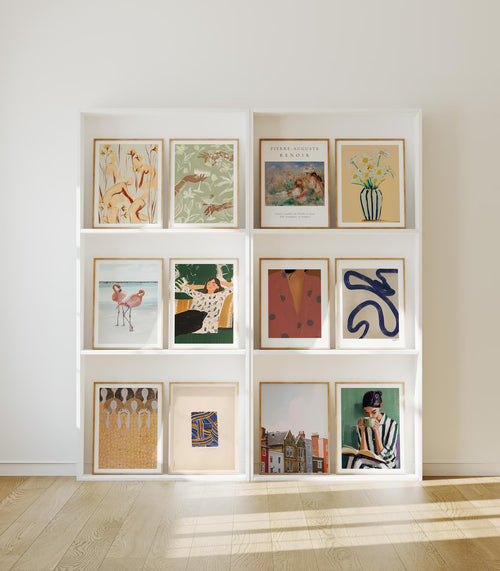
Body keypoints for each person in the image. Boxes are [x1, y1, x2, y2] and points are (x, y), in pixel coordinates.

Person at [345, 390, 399, 469]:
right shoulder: (362, 425)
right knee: (353, 460)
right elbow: (363, 454)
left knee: (359, 465)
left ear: (380, 406)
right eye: (367, 412)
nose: (370, 416)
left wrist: (376, 432)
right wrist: (362, 431)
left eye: (374, 412)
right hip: (368, 463)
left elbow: (388, 457)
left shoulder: (392, 424)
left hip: (386, 464)